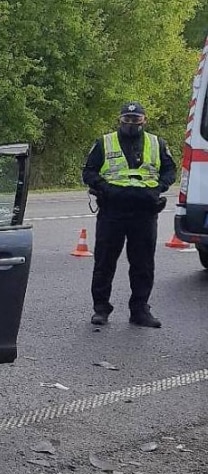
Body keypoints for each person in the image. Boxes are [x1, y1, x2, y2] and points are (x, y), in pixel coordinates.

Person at [82, 101, 176, 328]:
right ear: (120, 120)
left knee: (143, 264)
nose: (131, 123)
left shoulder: (157, 143)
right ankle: (101, 309)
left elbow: (170, 170)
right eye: (127, 119)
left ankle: (140, 310)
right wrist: (105, 188)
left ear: (144, 120)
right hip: (112, 210)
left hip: (144, 211)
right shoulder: (104, 142)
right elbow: (89, 172)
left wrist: (158, 188)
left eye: (136, 119)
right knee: (104, 262)